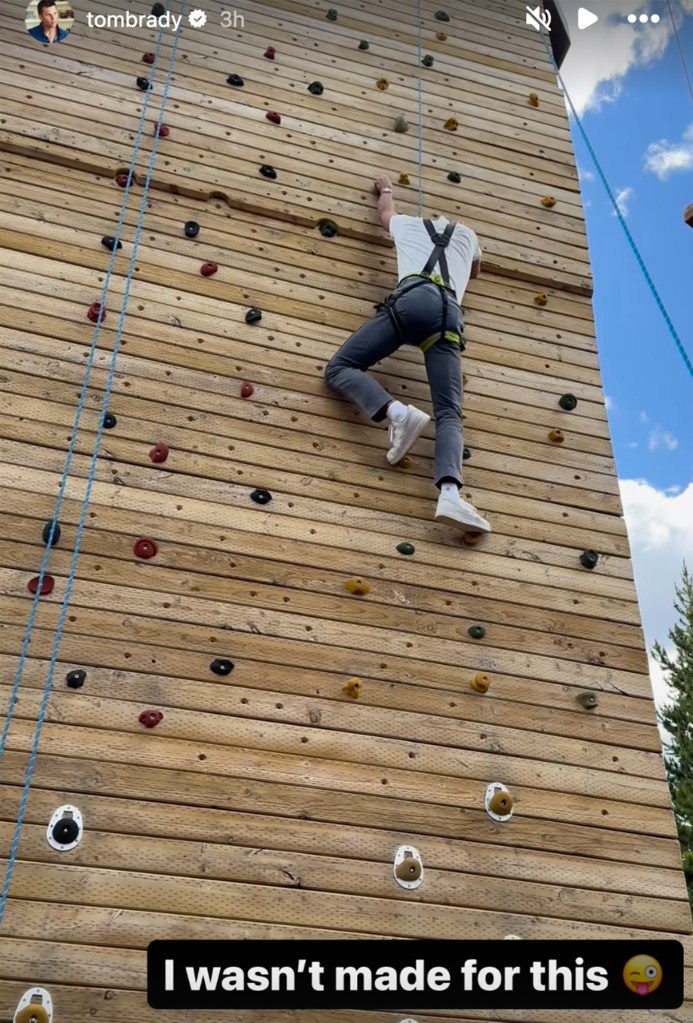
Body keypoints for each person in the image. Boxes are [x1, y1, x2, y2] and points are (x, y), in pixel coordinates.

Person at [324, 174, 491, 534]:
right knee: (449, 412)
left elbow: (384, 213)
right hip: (449, 315)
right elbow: (475, 272)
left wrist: (386, 190)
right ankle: (449, 494)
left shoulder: (407, 224)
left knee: (340, 367)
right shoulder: (469, 235)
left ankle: (397, 413)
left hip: (413, 299)